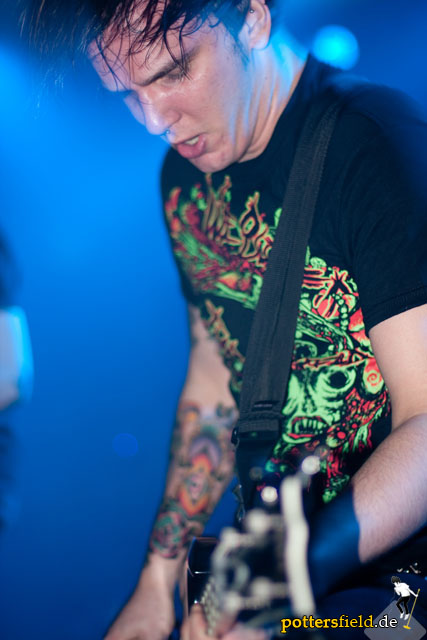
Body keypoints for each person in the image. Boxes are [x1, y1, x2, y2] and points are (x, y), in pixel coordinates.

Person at [20, 1, 427, 638]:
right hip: (277, 570)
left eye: (173, 72)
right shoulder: (184, 180)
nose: (154, 120)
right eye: (126, 95)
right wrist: (157, 582)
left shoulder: (376, 141)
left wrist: (283, 581)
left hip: (402, 592)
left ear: (254, 18)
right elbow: (216, 383)